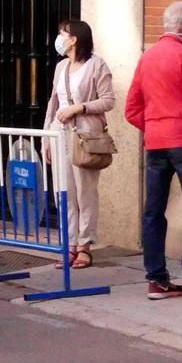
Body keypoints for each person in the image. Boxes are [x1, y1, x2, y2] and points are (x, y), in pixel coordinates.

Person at [126, 0, 182, 300]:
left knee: (153, 211)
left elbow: (132, 108)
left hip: (155, 141)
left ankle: (156, 279)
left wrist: (153, 125)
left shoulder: (147, 57)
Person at [43, 20, 115, 270]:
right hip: (59, 133)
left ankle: (85, 244)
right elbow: (52, 104)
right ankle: (69, 243)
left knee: (85, 191)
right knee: (63, 192)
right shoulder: (61, 66)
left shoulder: (97, 65)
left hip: (85, 135)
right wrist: (46, 138)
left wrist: (80, 107)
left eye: (63, 33)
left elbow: (108, 101)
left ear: (74, 39)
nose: (59, 38)